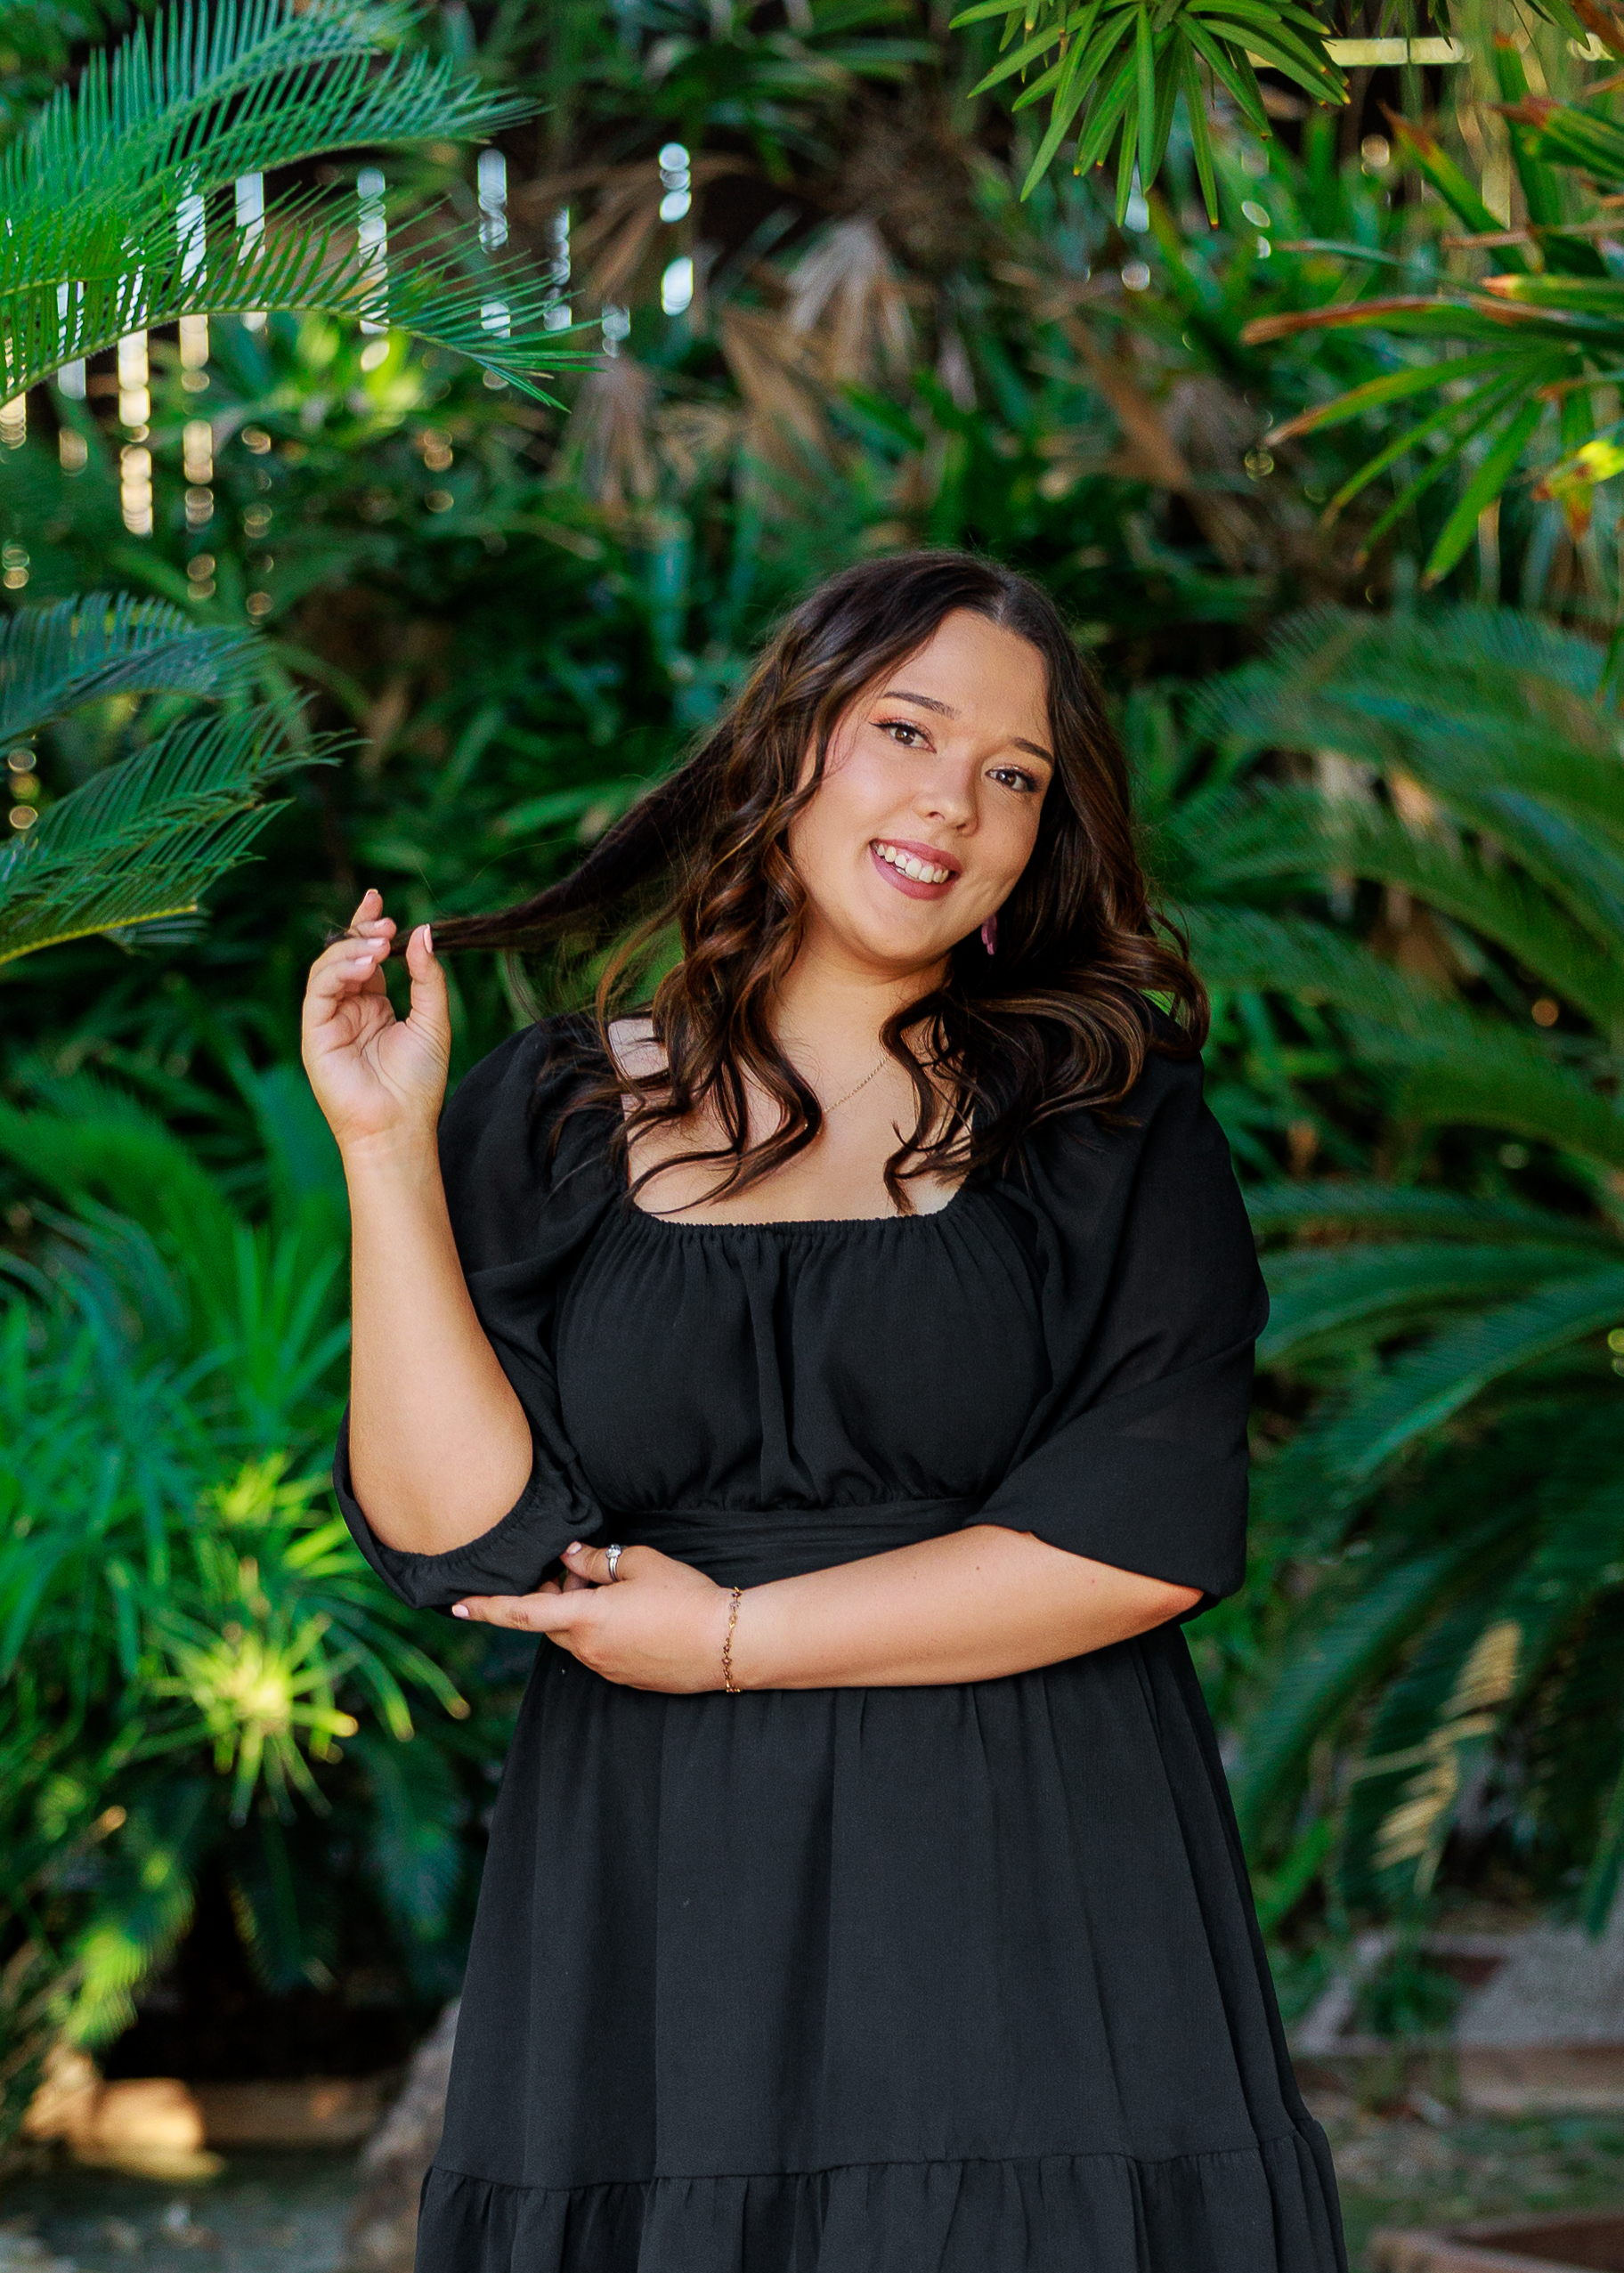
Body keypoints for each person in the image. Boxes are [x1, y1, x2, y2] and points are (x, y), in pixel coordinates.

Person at [301, 550, 1346, 2273]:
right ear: (789, 746)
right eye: (907, 729)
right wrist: (381, 1152)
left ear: (1036, 848)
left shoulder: (1110, 1126)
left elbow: (1137, 1540)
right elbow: (461, 1530)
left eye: (1014, 778)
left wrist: (725, 1633)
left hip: (1026, 1863)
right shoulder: (552, 1110)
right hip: (658, 1896)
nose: (955, 798)